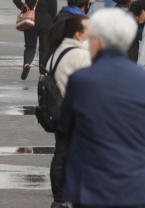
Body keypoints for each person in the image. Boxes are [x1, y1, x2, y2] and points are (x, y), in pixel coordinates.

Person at [60, 8, 145, 208]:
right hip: (135, 181)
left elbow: (66, 125)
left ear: (96, 41)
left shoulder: (81, 80)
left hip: (91, 181)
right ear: (128, 42)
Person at [44, 14, 91, 208]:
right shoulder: (80, 55)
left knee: (61, 153)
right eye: (88, 30)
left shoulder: (58, 51)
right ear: (79, 35)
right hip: (74, 113)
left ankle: (59, 199)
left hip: (59, 111)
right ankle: (64, 197)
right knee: (68, 155)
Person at [13, 0, 58, 80]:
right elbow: (54, 7)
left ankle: (27, 64)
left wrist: (24, 8)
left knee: (29, 46)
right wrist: (52, 19)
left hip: (29, 20)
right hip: (45, 22)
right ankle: (42, 74)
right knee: (44, 49)